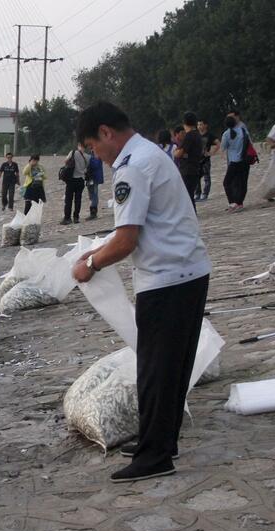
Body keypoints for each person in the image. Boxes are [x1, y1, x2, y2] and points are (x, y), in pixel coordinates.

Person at [72, 102, 211, 483]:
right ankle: (160, 439)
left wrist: (92, 264)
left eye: (92, 146)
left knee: (156, 370)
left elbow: (127, 240)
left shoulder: (132, 166)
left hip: (167, 279)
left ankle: (155, 456)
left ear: (105, 132)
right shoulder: (151, 153)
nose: (95, 155)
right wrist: (98, 249)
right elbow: (136, 227)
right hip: (188, 271)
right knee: (171, 368)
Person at [174, 112, 203, 208]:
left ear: (184, 122)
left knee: (187, 197)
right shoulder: (197, 135)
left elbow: (178, 153)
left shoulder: (189, 136)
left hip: (187, 170)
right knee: (189, 195)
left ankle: (191, 217)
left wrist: (176, 152)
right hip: (195, 168)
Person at [220, 115, 249, 212]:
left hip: (233, 161)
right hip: (244, 160)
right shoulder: (242, 130)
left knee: (227, 182)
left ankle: (232, 202)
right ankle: (239, 202)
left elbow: (223, 147)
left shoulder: (226, 134)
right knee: (242, 182)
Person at [59, 142, 88, 224]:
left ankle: (67, 218)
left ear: (79, 146)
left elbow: (66, 161)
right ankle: (76, 217)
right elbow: (86, 169)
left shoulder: (73, 152)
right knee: (78, 199)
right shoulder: (87, 157)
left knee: (68, 200)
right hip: (81, 180)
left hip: (72, 179)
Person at [196, 119, 220, 202]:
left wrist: (211, 153)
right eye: (198, 125)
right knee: (196, 177)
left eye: (201, 124)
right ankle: (197, 194)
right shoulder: (195, 135)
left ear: (205, 125)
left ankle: (205, 194)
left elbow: (218, 143)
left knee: (206, 177)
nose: (199, 126)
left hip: (205, 159)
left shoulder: (209, 135)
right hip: (196, 160)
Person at [85, 150, 104, 220]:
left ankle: (93, 212)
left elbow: (96, 165)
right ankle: (93, 210)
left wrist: (89, 161)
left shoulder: (97, 154)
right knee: (91, 195)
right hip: (90, 178)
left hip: (95, 178)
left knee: (94, 195)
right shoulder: (91, 154)